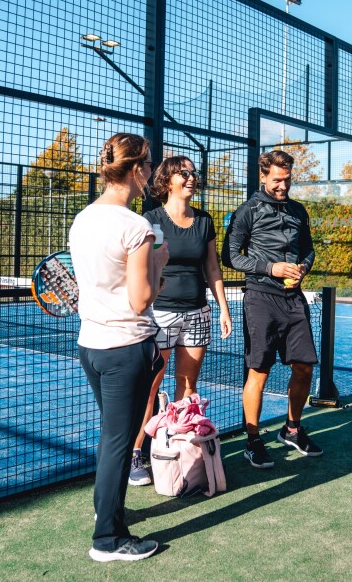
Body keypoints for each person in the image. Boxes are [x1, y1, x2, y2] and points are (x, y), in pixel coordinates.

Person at [68, 133, 169, 562]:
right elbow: (142, 298)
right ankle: (107, 540)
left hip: (91, 346)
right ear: (136, 169)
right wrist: (160, 261)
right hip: (126, 347)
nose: (150, 174)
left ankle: (106, 514)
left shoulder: (82, 218)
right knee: (118, 440)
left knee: (112, 437)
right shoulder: (135, 226)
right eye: (148, 166)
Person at [128, 155, 233, 486]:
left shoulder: (204, 221)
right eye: (183, 173)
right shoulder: (151, 219)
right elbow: (141, 267)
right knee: (150, 386)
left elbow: (212, 268)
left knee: (187, 387)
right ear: (167, 180)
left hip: (197, 313)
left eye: (192, 173)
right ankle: (136, 453)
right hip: (159, 314)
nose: (191, 177)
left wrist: (223, 308)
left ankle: (176, 447)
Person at [222, 149, 322, 469]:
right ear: (263, 176)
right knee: (259, 372)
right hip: (260, 298)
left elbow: (307, 250)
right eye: (277, 180)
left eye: (288, 179)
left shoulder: (297, 210)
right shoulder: (247, 211)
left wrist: (303, 268)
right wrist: (271, 268)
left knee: (305, 366)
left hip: (294, 300)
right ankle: (253, 440)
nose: (283, 185)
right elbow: (231, 257)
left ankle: (292, 429)